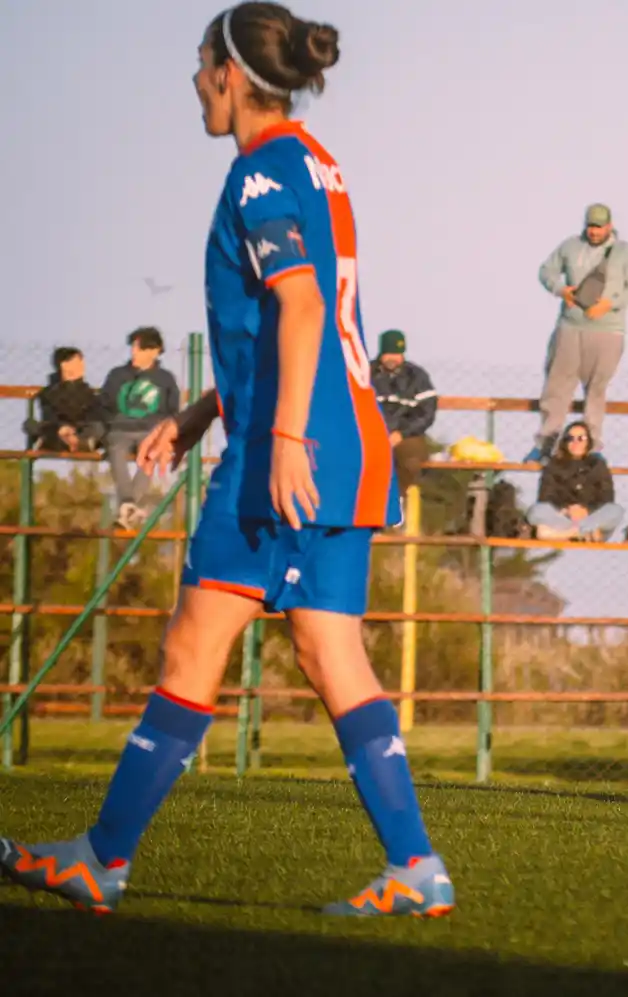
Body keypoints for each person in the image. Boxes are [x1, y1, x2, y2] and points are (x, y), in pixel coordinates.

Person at [0, 3, 453, 917]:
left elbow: (299, 307)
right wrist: (207, 405)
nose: (193, 80)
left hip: (291, 455)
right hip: (350, 444)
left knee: (194, 642)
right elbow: (306, 310)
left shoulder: (258, 173)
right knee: (332, 653)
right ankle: (416, 867)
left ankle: (101, 859)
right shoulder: (317, 165)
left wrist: (278, 438)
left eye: (199, 61)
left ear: (229, 74)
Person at [526, 204, 628, 461]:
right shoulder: (570, 246)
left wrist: (609, 303)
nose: (594, 232)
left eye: (599, 226)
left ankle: (592, 447)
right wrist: (562, 290)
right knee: (557, 386)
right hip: (570, 327)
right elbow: (546, 271)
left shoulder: (624, 253)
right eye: (591, 226)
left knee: (596, 389)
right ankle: (546, 442)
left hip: (608, 331)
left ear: (609, 226)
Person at [101, 327, 182, 529]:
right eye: (134, 347)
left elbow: (173, 410)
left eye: (140, 348)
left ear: (155, 351)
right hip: (120, 428)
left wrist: (163, 431)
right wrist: (109, 424)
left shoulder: (165, 379)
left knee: (151, 451)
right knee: (116, 449)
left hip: (150, 430)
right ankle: (130, 505)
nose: (134, 353)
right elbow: (103, 404)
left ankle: (127, 506)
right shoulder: (117, 375)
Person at [527, 420, 624, 540]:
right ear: (564, 442)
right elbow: (545, 496)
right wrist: (567, 510)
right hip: (564, 517)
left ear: (588, 441)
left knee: (615, 511)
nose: (575, 442)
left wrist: (586, 510)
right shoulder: (553, 464)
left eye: (581, 438)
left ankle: (565, 534)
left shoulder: (598, 464)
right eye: (570, 438)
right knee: (536, 511)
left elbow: (607, 497)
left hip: (591, 517)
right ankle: (582, 533)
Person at [370, 329, 437, 497]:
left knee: (411, 460)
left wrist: (401, 433)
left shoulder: (417, 377)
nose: (393, 358)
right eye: (388, 353)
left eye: (397, 353)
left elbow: (426, 413)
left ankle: (395, 499)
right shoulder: (366, 373)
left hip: (406, 435)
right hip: (370, 433)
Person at [24, 347, 105, 454]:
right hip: (58, 432)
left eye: (82, 361)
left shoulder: (89, 392)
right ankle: (65, 442)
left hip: (81, 432)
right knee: (30, 424)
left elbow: (94, 415)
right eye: (77, 361)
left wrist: (75, 432)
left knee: (99, 426)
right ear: (64, 365)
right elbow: (49, 416)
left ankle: (80, 443)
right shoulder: (49, 392)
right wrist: (62, 428)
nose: (82, 365)